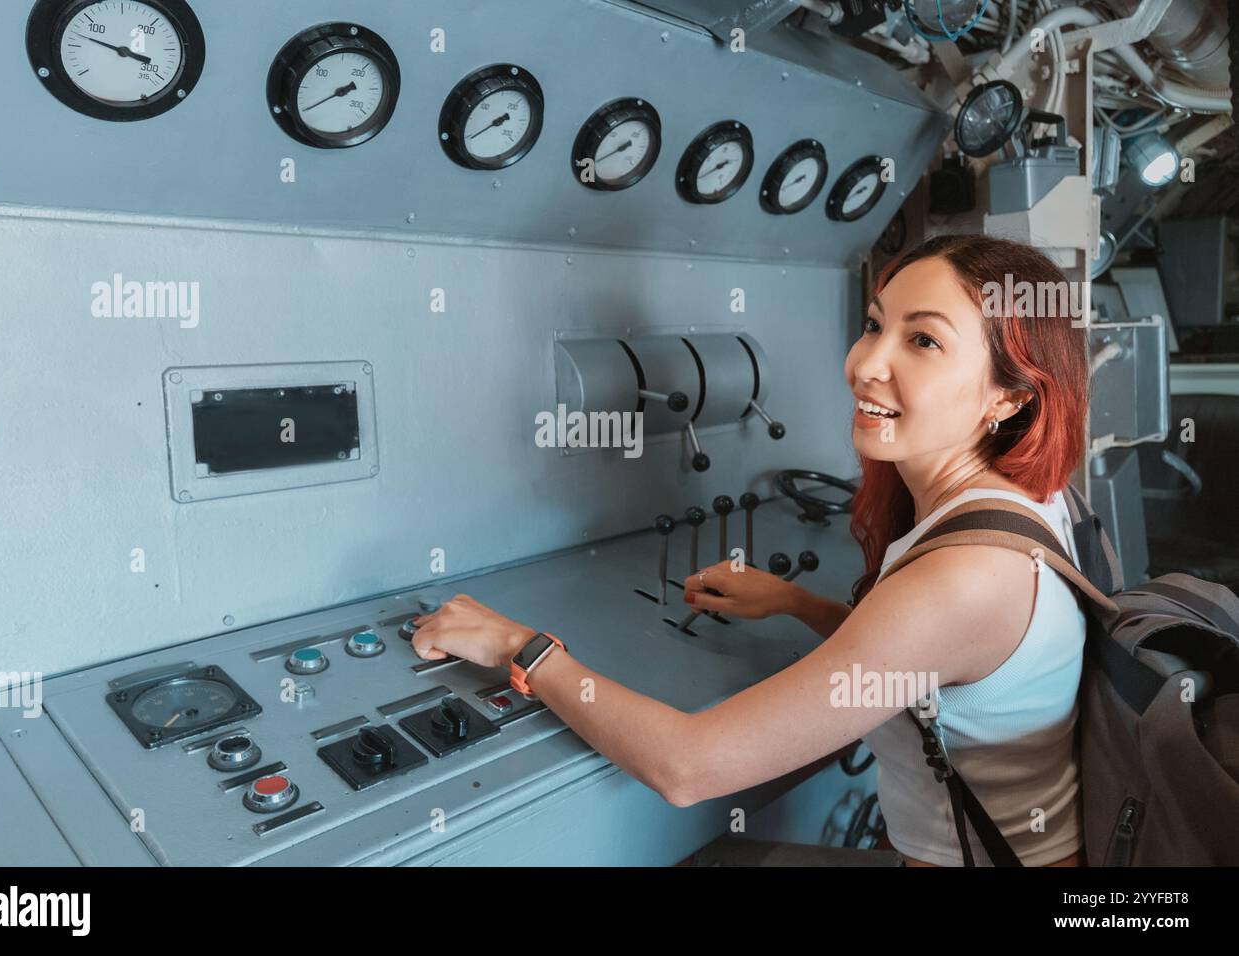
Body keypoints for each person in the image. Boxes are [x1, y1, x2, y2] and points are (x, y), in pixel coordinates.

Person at [408, 233, 1090, 867]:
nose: (866, 365)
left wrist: (520, 648)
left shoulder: (963, 577)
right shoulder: (1020, 504)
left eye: (924, 342)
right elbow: (928, 664)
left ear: (1009, 396)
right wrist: (796, 603)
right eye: (877, 325)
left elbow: (689, 767)